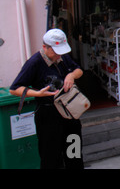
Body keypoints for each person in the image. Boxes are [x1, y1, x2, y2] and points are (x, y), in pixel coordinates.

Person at [9, 29, 84, 169]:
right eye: (55, 51)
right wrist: (38, 94)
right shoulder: (34, 63)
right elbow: (14, 88)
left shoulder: (63, 57)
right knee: (51, 158)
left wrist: (71, 75)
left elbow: (79, 70)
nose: (58, 55)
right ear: (45, 47)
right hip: (48, 117)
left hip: (69, 114)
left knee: (74, 155)